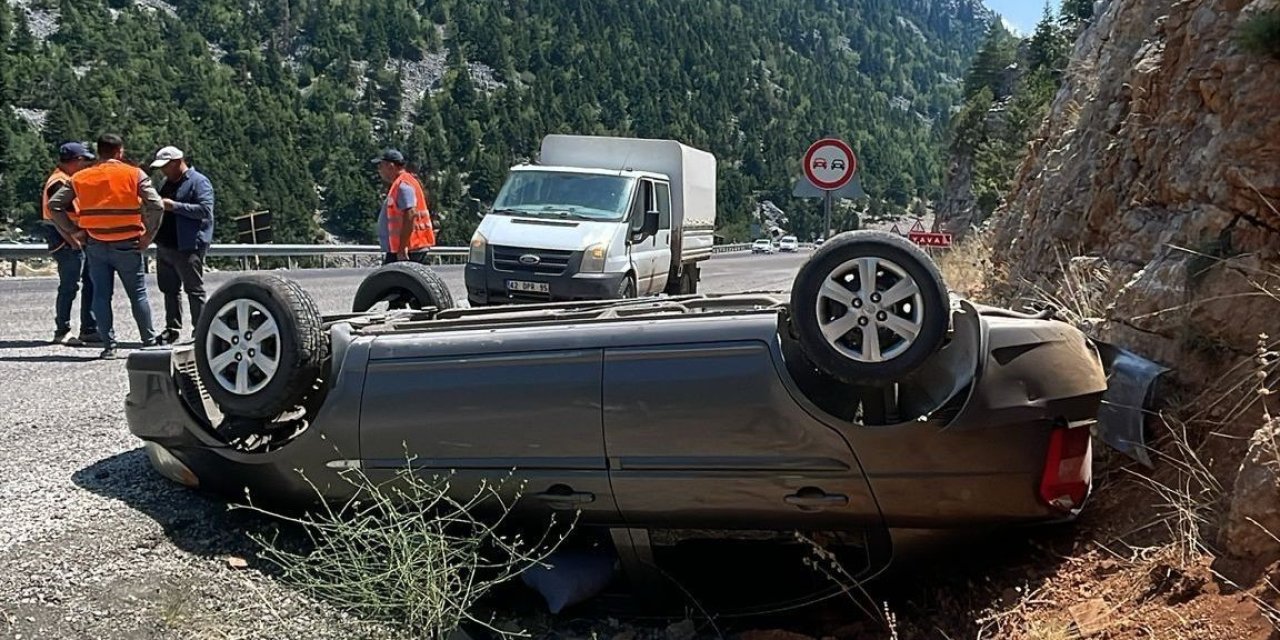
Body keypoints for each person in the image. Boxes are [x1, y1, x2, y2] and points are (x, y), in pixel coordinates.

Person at [47, 133, 163, 360]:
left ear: (99, 152)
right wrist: (148, 235)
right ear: (120, 151)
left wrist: (73, 230)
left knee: (101, 295)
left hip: (96, 243)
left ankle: (110, 346)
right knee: (137, 294)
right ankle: (148, 342)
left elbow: (54, 205)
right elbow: (156, 205)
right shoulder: (134, 174)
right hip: (128, 242)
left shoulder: (82, 177)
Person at [150, 146, 214, 345]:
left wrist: (174, 207)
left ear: (178, 162)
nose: (163, 171)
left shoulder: (198, 182)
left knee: (193, 289)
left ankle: (201, 330)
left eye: (166, 166)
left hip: (188, 245)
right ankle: (173, 329)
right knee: (169, 290)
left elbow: (204, 210)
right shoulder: (165, 182)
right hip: (166, 244)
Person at [41, 142, 100, 346]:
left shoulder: (66, 179)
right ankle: (62, 330)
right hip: (65, 238)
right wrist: (73, 240)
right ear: (76, 160)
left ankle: (89, 328)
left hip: (75, 237)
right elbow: (58, 216)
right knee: (69, 285)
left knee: (88, 282)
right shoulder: (59, 182)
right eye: (84, 160)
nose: (86, 165)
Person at [371, 149, 436, 265]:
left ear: (390, 166)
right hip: (408, 247)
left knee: (392, 281)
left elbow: (410, 214)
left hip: (408, 249)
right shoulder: (404, 182)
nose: (379, 170)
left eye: (381, 166)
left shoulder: (403, 185)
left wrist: (402, 248)